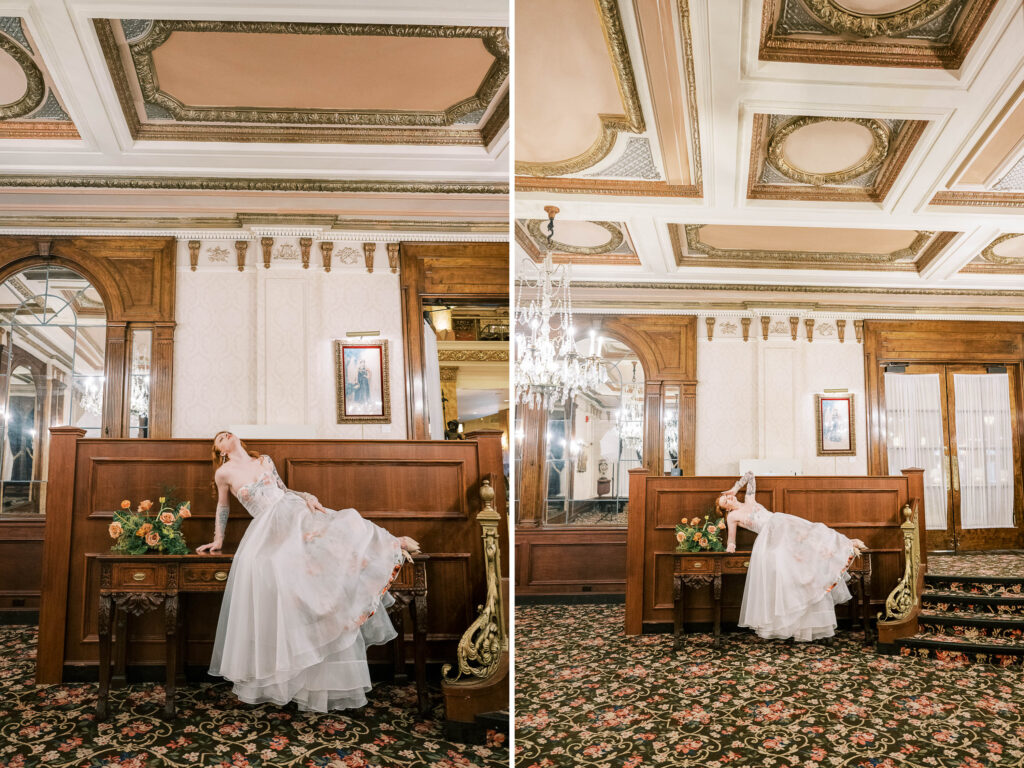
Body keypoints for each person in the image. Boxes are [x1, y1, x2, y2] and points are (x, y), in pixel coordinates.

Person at [197, 431, 420, 712]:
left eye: (227, 432)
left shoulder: (264, 459)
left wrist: (306, 496)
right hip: (267, 527)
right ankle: (288, 669)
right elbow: (222, 506)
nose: (224, 435)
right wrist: (218, 539)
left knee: (343, 524)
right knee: (280, 567)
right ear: (220, 451)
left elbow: (283, 488)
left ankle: (391, 543)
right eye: (219, 438)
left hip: (293, 510)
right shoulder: (224, 473)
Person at [719, 471, 866, 643]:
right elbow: (731, 540)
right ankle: (790, 618)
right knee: (787, 563)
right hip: (770, 536)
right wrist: (730, 547)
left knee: (814, 530)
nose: (729, 499)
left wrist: (734, 488)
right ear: (726, 509)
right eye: (725, 502)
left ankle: (846, 543)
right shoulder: (732, 516)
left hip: (781, 522)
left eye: (727, 497)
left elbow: (750, 475)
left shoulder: (749, 500)